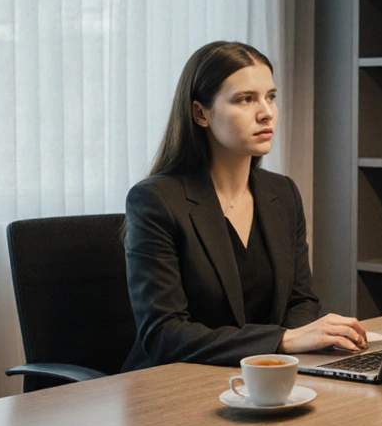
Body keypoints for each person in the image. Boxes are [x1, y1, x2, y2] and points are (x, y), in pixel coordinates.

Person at [122, 41, 366, 371]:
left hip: (267, 379)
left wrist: (307, 339)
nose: (266, 112)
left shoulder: (283, 193)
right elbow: (164, 334)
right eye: (245, 99)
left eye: (271, 97)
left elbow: (301, 300)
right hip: (173, 388)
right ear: (200, 113)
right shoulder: (155, 201)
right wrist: (282, 341)